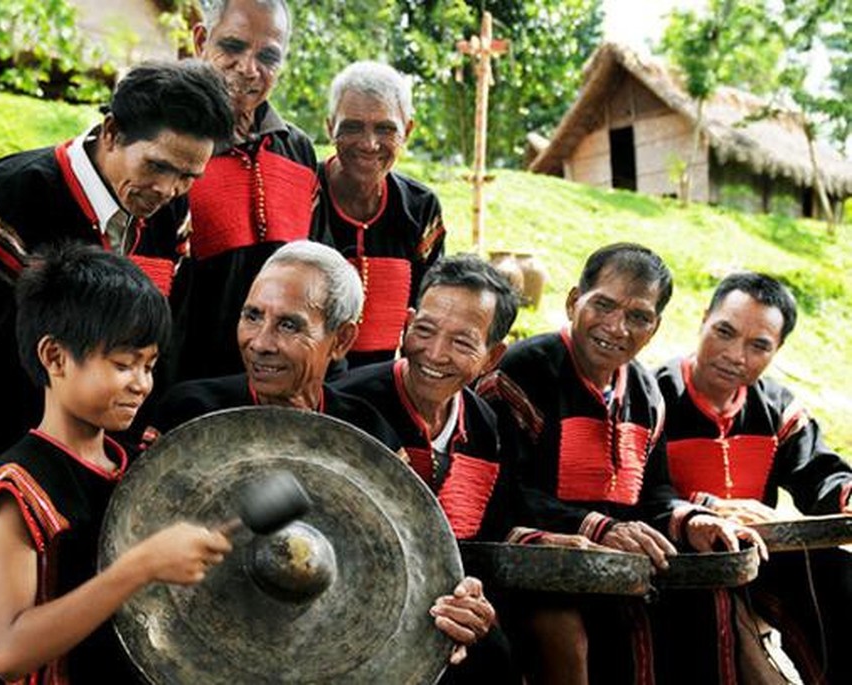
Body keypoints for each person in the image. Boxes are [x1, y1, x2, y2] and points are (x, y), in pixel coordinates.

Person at [154, 241, 497, 667]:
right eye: (252, 316)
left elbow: (405, 560)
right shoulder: (191, 412)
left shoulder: (367, 431)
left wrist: (460, 602)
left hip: (322, 639)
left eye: (289, 326)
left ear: (342, 340)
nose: (260, 342)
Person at [0, 59, 233, 492]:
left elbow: (165, 338)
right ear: (111, 132)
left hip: (106, 462)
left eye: (187, 176)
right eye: (156, 167)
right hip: (5, 462)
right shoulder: (17, 194)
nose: (168, 190)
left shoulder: (171, 213)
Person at [480, 243, 764, 685]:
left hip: (619, 568)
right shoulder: (523, 372)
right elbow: (504, 494)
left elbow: (654, 493)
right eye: (604, 305)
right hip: (536, 565)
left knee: (709, 599)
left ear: (654, 328)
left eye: (638, 316)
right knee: (565, 628)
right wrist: (601, 528)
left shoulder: (647, 392)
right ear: (574, 301)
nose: (616, 328)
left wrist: (691, 520)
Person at [0, 243, 232, 683]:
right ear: (54, 357)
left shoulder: (137, 462)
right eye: (123, 364)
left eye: (149, 365)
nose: (141, 384)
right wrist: (139, 566)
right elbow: (8, 651)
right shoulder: (18, 489)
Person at [333, 254, 534, 684]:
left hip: (444, 611)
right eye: (424, 330)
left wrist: (474, 603)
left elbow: (491, 542)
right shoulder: (349, 405)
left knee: (495, 653)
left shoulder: (489, 429)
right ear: (406, 323)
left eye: (462, 343)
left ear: (491, 356)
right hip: (351, 604)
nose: (435, 354)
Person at [657, 272, 852, 684]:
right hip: (677, 555)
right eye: (724, 332)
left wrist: (846, 495)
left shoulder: (776, 406)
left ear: (777, 349)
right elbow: (637, 491)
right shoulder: (654, 395)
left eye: (758, 345)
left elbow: (819, 474)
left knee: (838, 572)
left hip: (759, 555)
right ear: (703, 319)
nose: (735, 355)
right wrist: (705, 508)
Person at [166, 0, 329, 384]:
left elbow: (315, 271)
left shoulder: (298, 150)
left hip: (274, 381)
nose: (249, 69)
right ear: (201, 40)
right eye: (234, 47)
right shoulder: (168, 144)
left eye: (268, 56)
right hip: (182, 383)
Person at [316, 61, 445, 367]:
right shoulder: (306, 191)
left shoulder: (420, 207)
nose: (369, 144)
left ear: (408, 130)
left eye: (385, 129)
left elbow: (431, 306)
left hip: (381, 382)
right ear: (329, 126)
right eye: (352, 127)